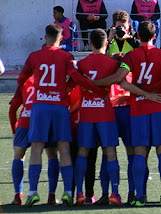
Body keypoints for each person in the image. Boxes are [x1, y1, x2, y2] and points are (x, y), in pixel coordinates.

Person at [17, 24, 107, 207]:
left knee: (36, 148)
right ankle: (67, 192)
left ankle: (32, 192)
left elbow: (21, 79)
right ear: (62, 37)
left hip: (40, 105)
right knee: (64, 148)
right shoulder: (67, 57)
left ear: (45, 37)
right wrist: (96, 89)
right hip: (59, 106)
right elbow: (77, 77)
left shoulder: (34, 56)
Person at [91, 21, 161, 207]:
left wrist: (97, 82)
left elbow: (119, 79)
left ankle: (140, 196)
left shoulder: (131, 55)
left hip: (139, 109)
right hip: (159, 107)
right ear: (154, 36)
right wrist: (153, 92)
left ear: (138, 36)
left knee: (139, 152)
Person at [74, 28, 122, 206]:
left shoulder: (81, 63)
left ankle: (80, 193)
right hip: (105, 112)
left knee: (83, 152)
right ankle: (114, 193)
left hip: (86, 111)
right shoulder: (112, 64)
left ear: (90, 44)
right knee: (110, 152)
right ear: (106, 43)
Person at [107, 10, 140, 206]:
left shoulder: (134, 39)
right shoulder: (108, 40)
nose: (121, 28)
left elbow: (140, 55)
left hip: (129, 100)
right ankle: (111, 192)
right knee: (109, 150)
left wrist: (128, 37)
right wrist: (110, 39)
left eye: (124, 24)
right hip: (111, 102)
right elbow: (98, 58)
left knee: (131, 150)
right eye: (119, 24)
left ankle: (132, 192)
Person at [9, 77, 59, 206]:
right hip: (46, 121)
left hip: (25, 120)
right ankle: (51, 196)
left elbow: (14, 106)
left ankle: (17, 195)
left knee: (19, 155)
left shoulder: (24, 80)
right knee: (52, 155)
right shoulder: (51, 79)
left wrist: (14, 130)